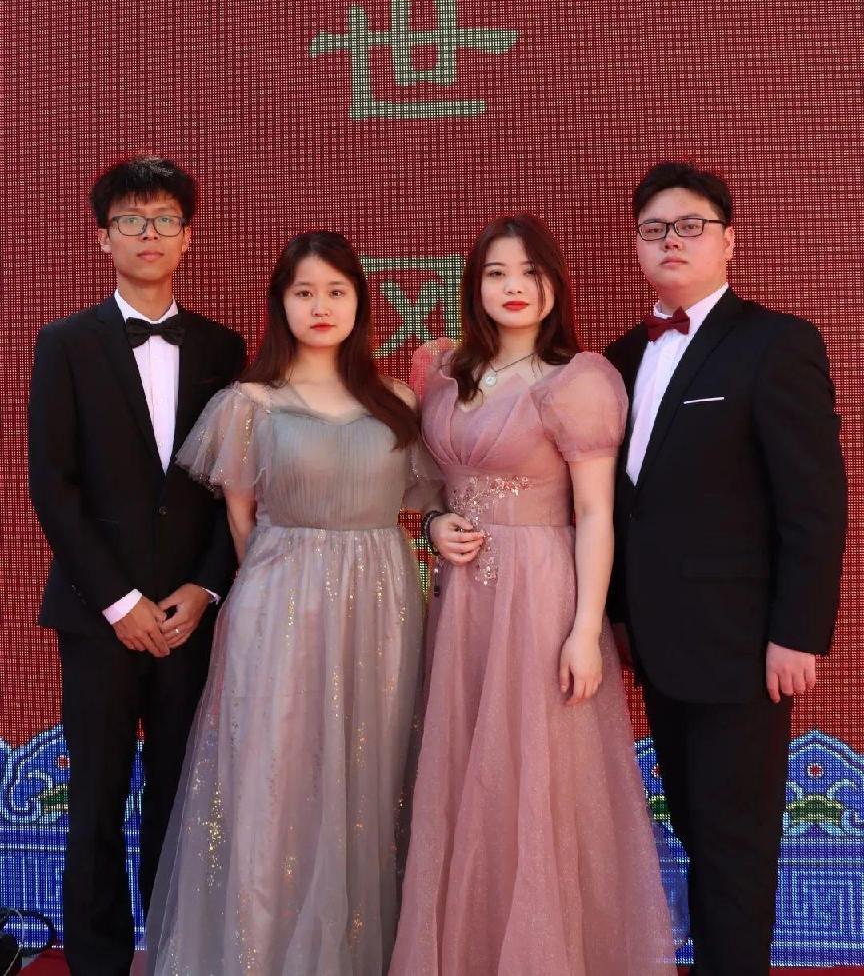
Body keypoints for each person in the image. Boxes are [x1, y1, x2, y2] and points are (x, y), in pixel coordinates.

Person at [145, 231, 442, 975]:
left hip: (382, 607)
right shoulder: (249, 403)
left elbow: (429, 500)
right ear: (280, 303)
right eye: (304, 292)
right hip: (277, 603)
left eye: (336, 291)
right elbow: (242, 522)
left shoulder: (400, 402)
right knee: (273, 776)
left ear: (360, 303)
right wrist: (285, 589)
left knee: (373, 775)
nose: (320, 306)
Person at [390, 214, 677, 975]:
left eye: (530, 272)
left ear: (554, 284)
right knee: (462, 774)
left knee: (535, 780)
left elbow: (595, 513)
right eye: (496, 273)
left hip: (542, 594)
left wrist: (585, 629)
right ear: (474, 287)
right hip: (460, 603)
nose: (514, 287)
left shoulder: (578, 380)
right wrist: (437, 524)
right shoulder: (441, 369)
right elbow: (430, 487)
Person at [605, 161, 847, 976]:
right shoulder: (619, 358)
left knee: (735, 850)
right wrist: (617, 616)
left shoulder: (775, 344)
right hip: (655, 649)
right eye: (653, 230)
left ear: (728, 241)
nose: (671, 242)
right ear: (637, 247)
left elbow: (813, 506)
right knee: (696, 833)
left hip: (744, 650)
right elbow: (624, 507)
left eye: (690, 226)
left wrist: (797, 634)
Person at [27, 155, 246, 976]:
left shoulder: (223, 349)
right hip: (98, 618)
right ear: (103, 237)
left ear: (187, 237)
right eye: (130, 220)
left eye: (163, 220)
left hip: (191, 618)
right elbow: (52, 484)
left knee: (181, 799)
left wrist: (206, 586)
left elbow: (238, 487)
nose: (147, 234)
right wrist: (119, 601)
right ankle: (96, 961)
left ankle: (177, 951)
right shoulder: (65, 344)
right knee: (95, 798)